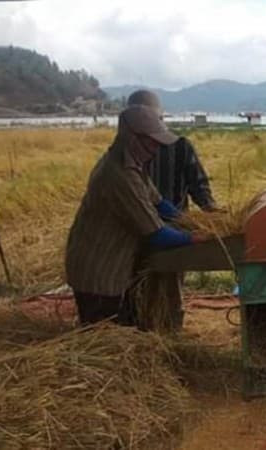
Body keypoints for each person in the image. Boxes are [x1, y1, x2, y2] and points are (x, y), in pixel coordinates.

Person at [65, 104, 207, 326]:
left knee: (126, 324)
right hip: (98, 271)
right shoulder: (120, 176)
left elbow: (159, 203)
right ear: (132, 138)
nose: (156, 148)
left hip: (114, 266)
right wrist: (194, 239)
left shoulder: (135, 166)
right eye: (152, 142)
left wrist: (189, 221)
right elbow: (156, 235)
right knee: (105, 339)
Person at [126, 89, 221, 212]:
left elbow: (199, 187)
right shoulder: (123, 153)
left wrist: (214, 214)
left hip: (175, 222)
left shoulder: (180, 146)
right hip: (141, 225)